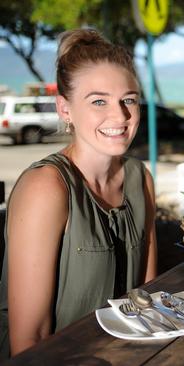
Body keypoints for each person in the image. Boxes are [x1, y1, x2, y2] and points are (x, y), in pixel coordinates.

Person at [0, 29, 158, 358]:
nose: (120, 116)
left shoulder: (140, 178)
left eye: (128, 99)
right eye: (99, 101)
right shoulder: (46, 187)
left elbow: (146, 299)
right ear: (65, 108)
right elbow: (29, 340)